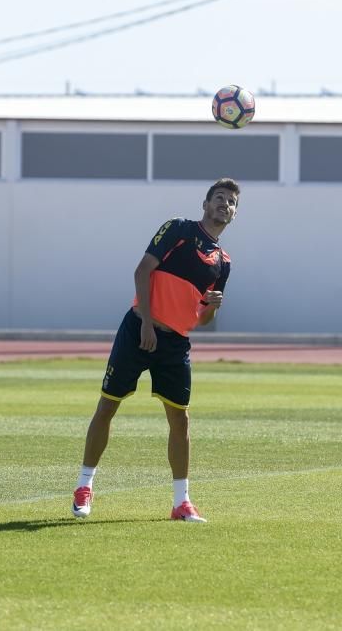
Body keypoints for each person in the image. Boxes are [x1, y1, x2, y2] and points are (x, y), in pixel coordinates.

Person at [72, 177, 240, 523]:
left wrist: (213, 306)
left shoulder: (223, 262)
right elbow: (142, 270)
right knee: (108, 406)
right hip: (139, 328)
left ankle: (181, 502)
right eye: (219, 198)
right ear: (205, 205)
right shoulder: (178, 228)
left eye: (231, 202)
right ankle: (84, 486)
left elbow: (203, 320)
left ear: (234, 214)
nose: (225, 204)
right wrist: (147, 323)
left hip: (175, 343)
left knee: (180, 419)